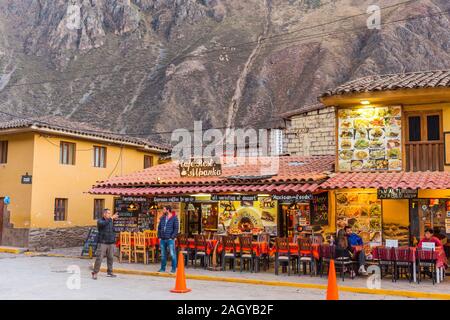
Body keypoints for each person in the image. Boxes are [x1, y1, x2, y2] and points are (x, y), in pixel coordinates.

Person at [92, 208, 118, 280]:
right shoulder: (100, 221)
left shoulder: (110, 221)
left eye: (110, 213)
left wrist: (113, 239)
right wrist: (112, 218)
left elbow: (112, 230)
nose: (110, 214)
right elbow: (104, 224)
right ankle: (95, 273)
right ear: (104, 214)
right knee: (99, 258)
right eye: (108, 213)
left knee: (111, 258)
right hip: (103, 242)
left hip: (111, 243)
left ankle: (110, 272)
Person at [157, 206, 179, 273]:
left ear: (168, 210)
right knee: (163, 255)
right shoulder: (162, 218)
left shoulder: (174, 218)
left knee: (172, 254)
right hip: (162, 239)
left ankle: (173, 269)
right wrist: (159, 237)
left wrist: (172, 237)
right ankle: (162, 269)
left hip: (170, 239)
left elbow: (176, 229)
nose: (163, 211)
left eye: (164, 209)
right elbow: (159, 228)